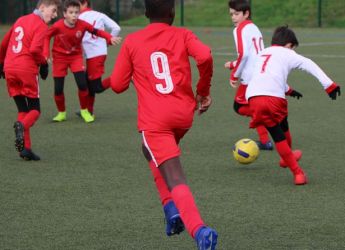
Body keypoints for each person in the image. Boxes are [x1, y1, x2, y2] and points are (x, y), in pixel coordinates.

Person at [107, 0, 218, 249]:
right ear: (172, 13)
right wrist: (203, 90)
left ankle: (199, 230)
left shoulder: (133, 41)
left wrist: (134, 76)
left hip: (156, 119)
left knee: (174, 174)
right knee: (149, 150)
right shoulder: (183, 34)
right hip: (183, 115)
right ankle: (171, 210)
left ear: (146, 13)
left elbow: (117, 85)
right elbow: (205, 56)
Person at [245, 25, 341, 185]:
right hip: (273, 98)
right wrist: (329, 85)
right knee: (281, 131)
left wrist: (289, 91)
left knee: (278, 129)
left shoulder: (262, 53)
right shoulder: (287, 53)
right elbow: (309, 64)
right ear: (289, 45)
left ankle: (286, 157)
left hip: (253, 98)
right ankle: (298, 172)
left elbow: (265, 76)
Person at [0, 0, 60, 160]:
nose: (54, 15)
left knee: (23, 110)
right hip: (26, 69)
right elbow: (34, 49)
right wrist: (43, 63)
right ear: (42, 7)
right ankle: (22, 126)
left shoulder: (20, 20)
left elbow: (4, 44)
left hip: (10, 68)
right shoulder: (41, 25)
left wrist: (1, 63)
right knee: (35, 110)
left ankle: (25, 150)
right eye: (53, 11)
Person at [43, 0, 121, 123]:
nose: (74, 15)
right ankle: (61, 113)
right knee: (58, 88)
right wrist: (46, 53)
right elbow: (46, 36)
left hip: (76, 57)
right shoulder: (58, 26)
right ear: (64, 14)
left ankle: (85, 111)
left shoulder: (82, 24)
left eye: (76, 12)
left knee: (83, 84)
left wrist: (109, 37)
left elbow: (97, 31)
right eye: (71, 12)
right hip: (60, 58)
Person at [224, 0, 275, 150]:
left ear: (246, 13)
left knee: (239, 107)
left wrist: (234, 74)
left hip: (250, 76)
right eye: (231, 14)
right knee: (250, 106)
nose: (233, 17)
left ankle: (268, 119)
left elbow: (244, 54)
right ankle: (265, 141)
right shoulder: (254, 27)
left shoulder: (239, 29)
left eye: (237, 14)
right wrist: (233, 64)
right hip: (260, 72)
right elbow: (253, 53)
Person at [78, 0, 121, 116]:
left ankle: (120, 77)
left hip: (93, 55)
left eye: (77, 4)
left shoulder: (79, 18)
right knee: (88, 83)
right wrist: (108, 42)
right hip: (100, 52)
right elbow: (116, 28)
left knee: (96, 87)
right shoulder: (100, 15)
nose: (75, 7)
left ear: (85, 3)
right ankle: (89, 111)